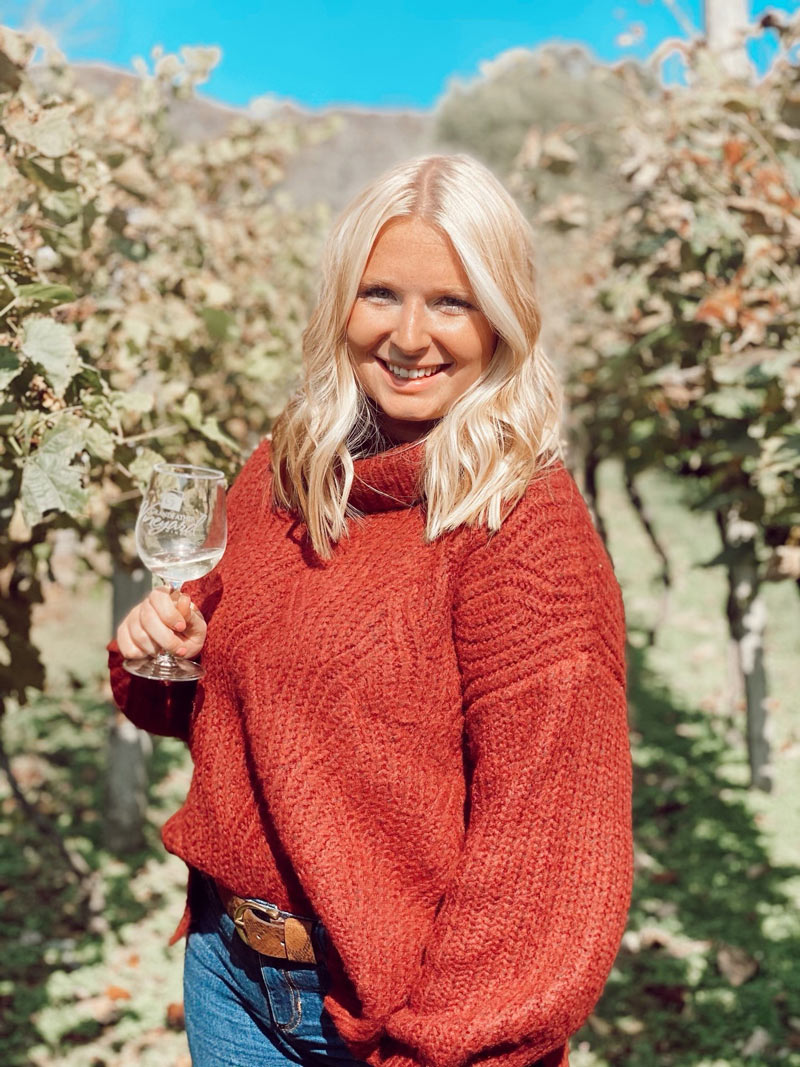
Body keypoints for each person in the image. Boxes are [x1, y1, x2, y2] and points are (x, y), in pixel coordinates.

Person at [109, 153, 632, 1067]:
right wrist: (160, 652)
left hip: (395, 1019)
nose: (410, 336)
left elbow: (548, 853)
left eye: (452, 302)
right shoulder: (287, 467)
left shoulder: (521, 524)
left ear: (502, 319)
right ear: (340, 303)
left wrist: (443, 1051)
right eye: (380, 294)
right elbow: (203, 705)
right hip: (228, 974)